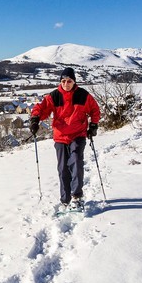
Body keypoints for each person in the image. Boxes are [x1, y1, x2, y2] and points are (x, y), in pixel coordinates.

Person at [29, 67, 101, 208]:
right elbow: (41, 108)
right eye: (63, 81)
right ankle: (65, 199)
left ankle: (77, 196)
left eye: (69, 81)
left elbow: (94, 110)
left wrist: (93, 125)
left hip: (78, 134)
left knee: (76, 162)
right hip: (60, 136)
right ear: (60, 82)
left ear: (74, 82)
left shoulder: (83, 95)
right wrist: (35, 120)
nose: (66, 84)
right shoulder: (54, 96)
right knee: (62, 168)